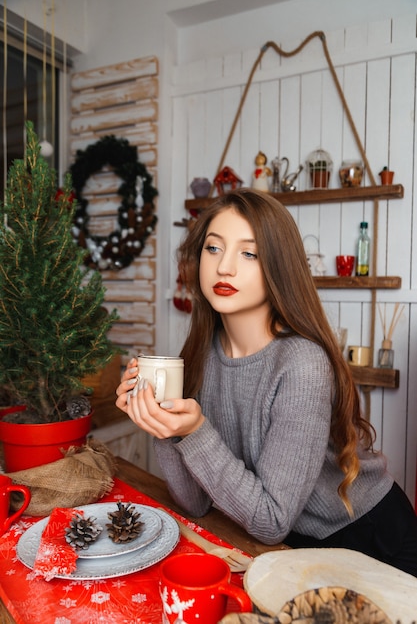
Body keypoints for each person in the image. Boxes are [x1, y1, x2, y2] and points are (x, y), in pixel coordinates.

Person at [116, 188, 417, 577]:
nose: (225, 267)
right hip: (287, 545)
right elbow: (195, 504)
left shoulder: (302, 364)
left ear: (278, 266)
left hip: (368, 540)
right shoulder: (202, 354)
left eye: (249, 253)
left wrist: (195, 432)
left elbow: (271, 520)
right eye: (213, 248)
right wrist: (164, 427)